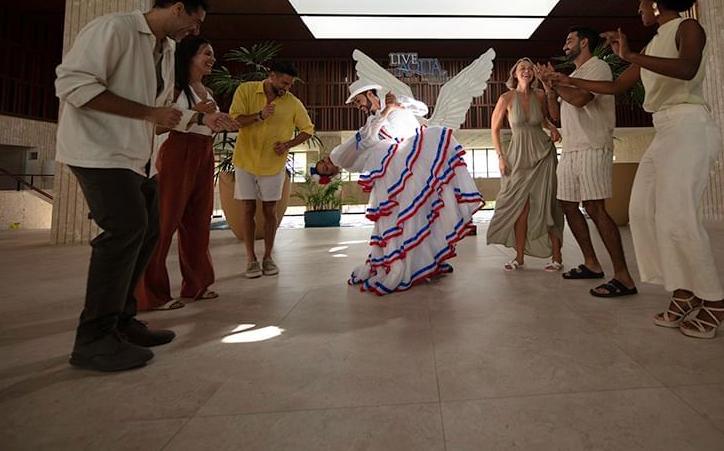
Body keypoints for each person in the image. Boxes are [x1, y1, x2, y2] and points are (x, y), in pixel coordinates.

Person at [543, 0, 724, 339]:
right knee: (643, 212)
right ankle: (684, 293)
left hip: (689, 124)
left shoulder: (688, 27)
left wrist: (630, 55)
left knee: (678, 216)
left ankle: (716, 302)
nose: (638, 8)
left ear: (657, 0)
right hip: (664, 130)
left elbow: (686, 68)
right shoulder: (653, 42)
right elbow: (617, 87)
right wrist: (561, 79)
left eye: (641, 1)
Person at [56, 0, 223, 372]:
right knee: (125, 231)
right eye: (194, 23)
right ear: (178, 9)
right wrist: (148, 114)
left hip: (137, 157)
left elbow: (163, 110)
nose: (194, 33)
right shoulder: (113, 29)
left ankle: (122, 321)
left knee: (148, 229)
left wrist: (200, 118)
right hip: (98, 151)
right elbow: (72, 85)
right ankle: (93, 338)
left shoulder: (163, 49)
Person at [314, 94, 483, 295]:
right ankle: (412, 262)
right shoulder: (341, 155)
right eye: (325, 170)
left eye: (358, 101)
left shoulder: (382, 116)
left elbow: (421, 111)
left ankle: (429, 259)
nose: (326, 165)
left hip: (403, 165)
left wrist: (397, 105)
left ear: (370, 94)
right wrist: (388, 109)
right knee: (403, 220)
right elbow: (365, 139)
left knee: (414, 215)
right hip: (391, 175)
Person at [135, 37, 239, 311]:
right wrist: (195, 113)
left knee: (198, 222)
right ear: (190, 56)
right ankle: (152, 294)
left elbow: (206, 125)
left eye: (213, 53)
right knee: (164, 223)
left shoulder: (205, 90)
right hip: (178, 155)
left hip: (204, 153)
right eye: (207, 53)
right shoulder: (175, 88)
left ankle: (197, 285)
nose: (212, 58)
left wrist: (223, 121)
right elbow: (157, 127)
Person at [535, 27, 638, 298]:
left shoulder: (597, 68)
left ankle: (624, 277)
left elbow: (581, 100)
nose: (565, 44)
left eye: (569, 39)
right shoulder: (573, 76)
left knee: (595, 207)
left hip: (593, 146)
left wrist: (557, 82)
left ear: (584, 42)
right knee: (567, 205)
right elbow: (557, 116)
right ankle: (591, 263)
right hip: (570, 149)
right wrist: (549, 89)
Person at [229, 60, 314, 279]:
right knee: (248, 208)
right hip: (245, 160)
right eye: (284, 82)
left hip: (273, 164)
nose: (287, 88)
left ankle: (268, 257)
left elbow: (308, 129)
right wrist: (259, 116)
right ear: (272, 76)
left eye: (290, 84)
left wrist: (288, 144)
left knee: (269, 211)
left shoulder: (293, 103)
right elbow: (234, 121)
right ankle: (251, 260)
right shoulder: (246, 91)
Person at [486, 58, 564, 271]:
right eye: (522, 68)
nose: (527, 71)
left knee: (548, 204)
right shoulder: (506, 98)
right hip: (518, 158)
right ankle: (519, 258)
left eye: (530, 69)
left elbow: (542, 120)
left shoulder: (540, 95)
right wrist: (500, 156)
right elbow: (494, 129)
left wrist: (552, 128)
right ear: (515, 73)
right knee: (520, 208)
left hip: (543, 154)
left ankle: (557, 257)